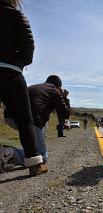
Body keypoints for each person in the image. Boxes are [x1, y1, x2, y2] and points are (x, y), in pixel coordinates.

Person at [0, 0, 44, 176]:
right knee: (25, 118)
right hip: (11, 71)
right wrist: (20, 61)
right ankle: (34, 163)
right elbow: (28, 47)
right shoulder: (15, 14)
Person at [2, 75, 71, 170]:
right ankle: (9, 153)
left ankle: (14, 154)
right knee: (42, 159)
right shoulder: (54, 90)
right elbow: (66, 113)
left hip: (10, 117)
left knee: (44, 123)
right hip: (31, 119)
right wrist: (65, 97)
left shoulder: (37, 87)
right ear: (59, 87)